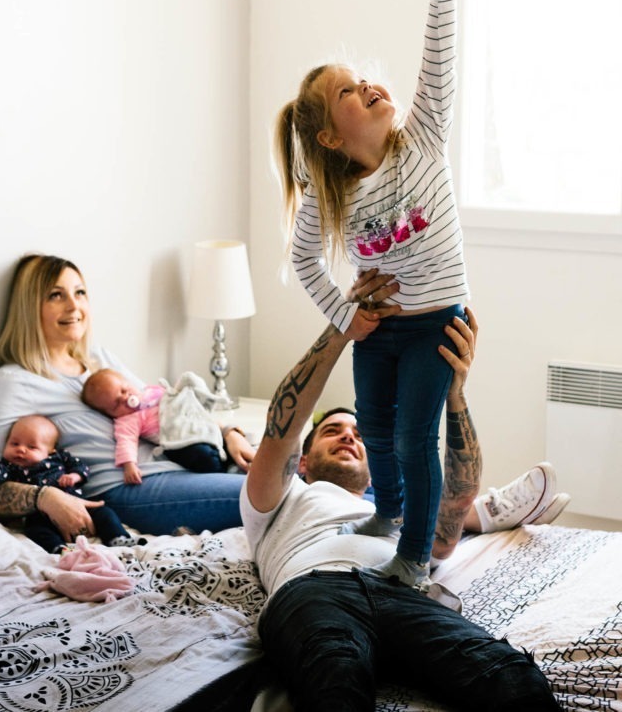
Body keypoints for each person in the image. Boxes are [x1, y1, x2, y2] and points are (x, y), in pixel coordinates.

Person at [240, 299, 562, 712]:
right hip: (315, 590)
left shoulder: (399, 510)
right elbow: (281, 427)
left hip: (406, 594)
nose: (348, 438)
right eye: (332, 431)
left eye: (358, 434)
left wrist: (455, 393)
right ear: (302, 461)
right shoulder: (281, 497)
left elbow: (449, 523)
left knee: (514, 679)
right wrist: (343, 326)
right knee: (334, 689)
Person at [273, 0, 469, 587]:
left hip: (437, 322)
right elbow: (304, 261)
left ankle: (414, 555)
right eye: (348, 93)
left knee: (416, 436)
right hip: (379, 329)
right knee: (378, 434)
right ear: (331, 136)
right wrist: (344, 316)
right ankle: (386, 512)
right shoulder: (328, 194)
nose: (367, 87)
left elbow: (437, 60)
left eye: (362, 79)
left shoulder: (422, 136)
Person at [0, 254, 255, 542]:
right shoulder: (14, 382)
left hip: (179, 463)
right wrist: (46, 497)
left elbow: (164, 410)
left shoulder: (98, 359)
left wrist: (229, 433)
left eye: (80, 292)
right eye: (56, 295)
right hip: (131, 488)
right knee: (269, 495)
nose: (74, 306)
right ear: (29, 308)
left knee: (283, 471)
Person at [0, 413, 135, 552]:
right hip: (40, 514)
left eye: (32, 447)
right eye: (14, 444)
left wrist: (75, 476)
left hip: (78, 504)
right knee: (35, 529)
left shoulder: (60, 458)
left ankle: (117, 537)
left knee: (105, 513)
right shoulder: (9, 466)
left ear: (50, 451)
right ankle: (57, 548)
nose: (21, 450)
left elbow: (82, 467)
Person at [82, 368, 225, 481]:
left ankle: (230, 463)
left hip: (194, 427)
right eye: (116, 404)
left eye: (124, 390)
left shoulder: (153, 392)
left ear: (129, 382)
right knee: (203, 456)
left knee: (219, 441)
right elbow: (126, 442)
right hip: (177, 443)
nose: (125, 398)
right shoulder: (128, 420)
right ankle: (223, 472)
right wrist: (129, 465)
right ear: (110, 414)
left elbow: (177, 398)